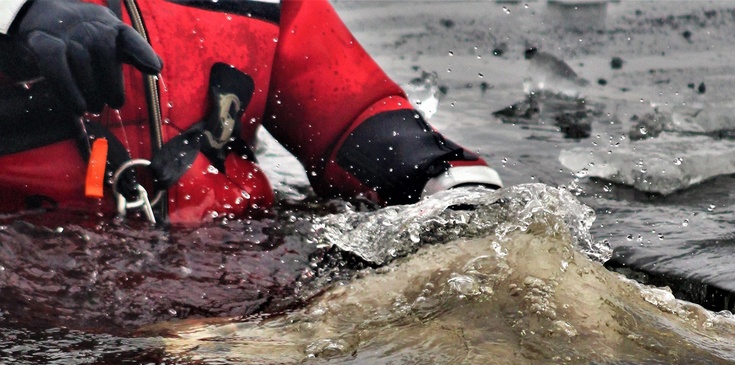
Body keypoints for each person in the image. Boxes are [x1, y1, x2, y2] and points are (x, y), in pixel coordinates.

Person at [0, 0, 502, 225]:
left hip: (238, 316)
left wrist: (443, 184)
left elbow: (351, 108)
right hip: (40, 334)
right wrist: (13, 18)